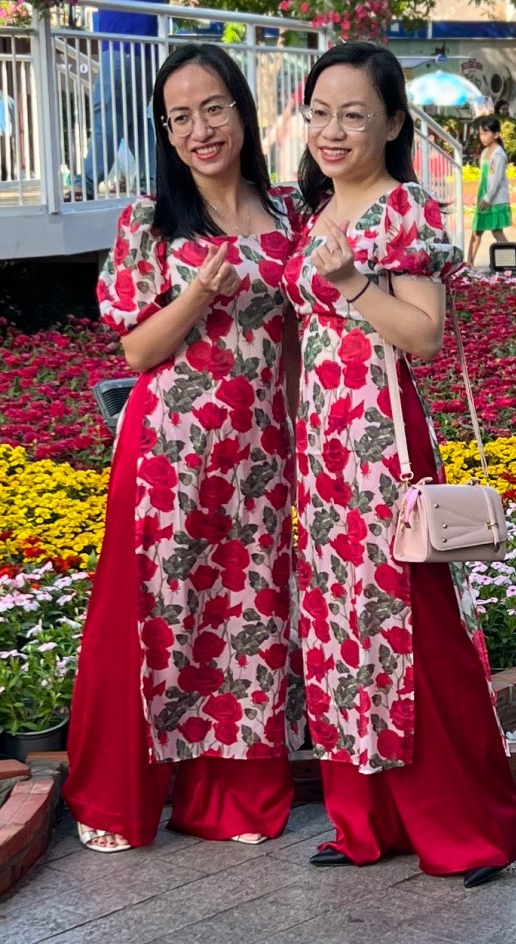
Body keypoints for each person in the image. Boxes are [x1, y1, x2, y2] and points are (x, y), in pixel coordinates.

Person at [283, 41, 516, 887]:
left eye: (353, 114)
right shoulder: (313, 208)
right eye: (319, 112)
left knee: (413, 634)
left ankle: (465, 829)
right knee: (339, 634)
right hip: (322, 457)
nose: (332, 130)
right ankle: (366, 823)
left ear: (392, 122)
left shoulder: (404, 210)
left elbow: (423, 333)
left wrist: (353, 281)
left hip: (383, 448)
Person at [63, 43, 303, 851]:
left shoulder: (288, 214)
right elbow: (135, 350)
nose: (200, 129)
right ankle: (116, 799)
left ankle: (232, 799)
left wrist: (303, 441)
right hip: (170, 454)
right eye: (179, 117)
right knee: (155, 621)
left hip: (261, 458)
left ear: (241, 110)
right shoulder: (150, 221)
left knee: (247, 619)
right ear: (165, 133)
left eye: (213, 108)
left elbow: (296, 343)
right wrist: (198, 290)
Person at [68, 0, 169, 201]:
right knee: (133, 121)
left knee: (108, 111)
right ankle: (156, 182)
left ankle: (87, 182)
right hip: (125, 49)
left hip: (128, 48)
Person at [467, 116, 512, 265]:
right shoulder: (485, 152)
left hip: (494, 199)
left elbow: (496, 180)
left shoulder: (498, 154)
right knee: (476, 231)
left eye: (486, 133)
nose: (482, 137)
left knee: (496, 231)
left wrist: (487, 198)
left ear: (496, 134)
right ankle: (468, 264)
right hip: (484, 195)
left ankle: (509, 262)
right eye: (481, 134)